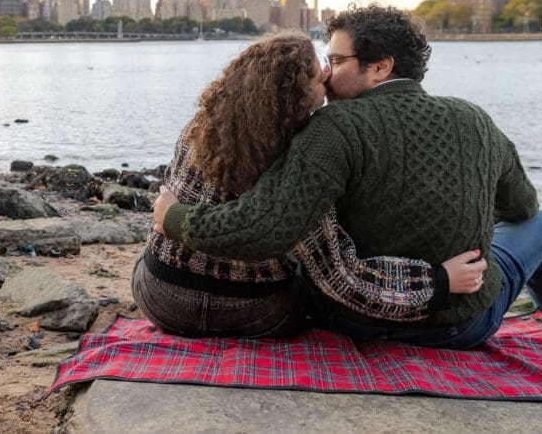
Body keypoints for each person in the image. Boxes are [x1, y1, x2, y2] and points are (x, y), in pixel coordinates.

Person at [152, 5, 542, 353]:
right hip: (458, 324)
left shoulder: (326, 130)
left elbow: (274, 224)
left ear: (380, 66)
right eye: (326, 64)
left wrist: (172, 217)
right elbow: (521, 207)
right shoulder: (474, 118)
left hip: (347, 318)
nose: (327, 76)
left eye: (336, 61)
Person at [133, 31, 486, 338]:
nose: (329, 78)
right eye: (320, 77)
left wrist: (174, 218)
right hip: (258, 315)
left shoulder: (201, 130)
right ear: (297, 99)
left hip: (161, 300)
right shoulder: (305, 156)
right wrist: (437, 283)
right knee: (309, 272)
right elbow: (341, 278)